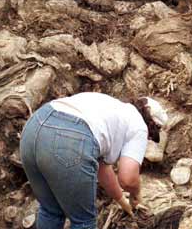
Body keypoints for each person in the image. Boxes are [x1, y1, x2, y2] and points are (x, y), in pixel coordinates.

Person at [20, 93, 167, 229]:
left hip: (33, 129)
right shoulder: (139, 126)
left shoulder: (113, 109)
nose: (147, 139)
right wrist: (136, 195)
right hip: (67, 140)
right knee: (84, 222)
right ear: (151, 126)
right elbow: (128, 179)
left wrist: (122, 200)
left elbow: (102, 169)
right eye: (150, 136)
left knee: (51, 210)